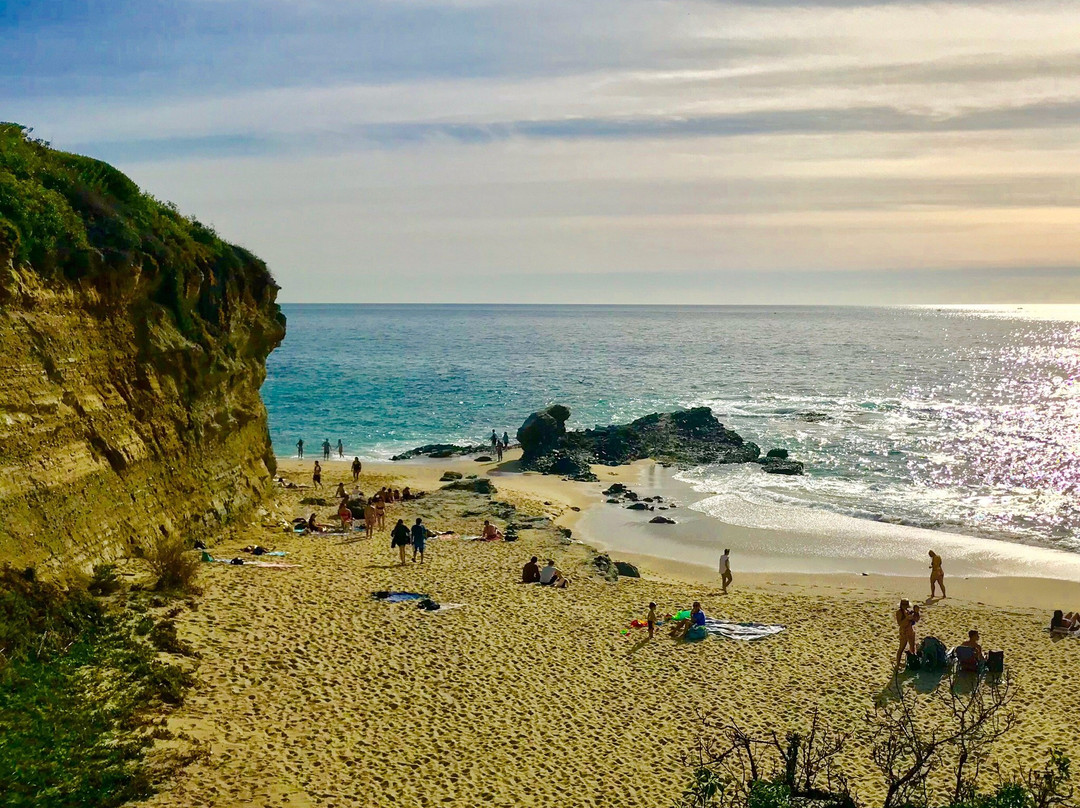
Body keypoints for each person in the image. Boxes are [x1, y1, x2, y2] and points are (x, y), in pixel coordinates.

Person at [895, 599, 916, 669]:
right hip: (904, 631)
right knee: (901, 648)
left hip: (910, 630)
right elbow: (900, 624)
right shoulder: (899, 612)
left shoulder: (907, 611)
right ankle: (897, 664)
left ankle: (912, 662)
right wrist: (907, 618)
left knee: (912, 647)